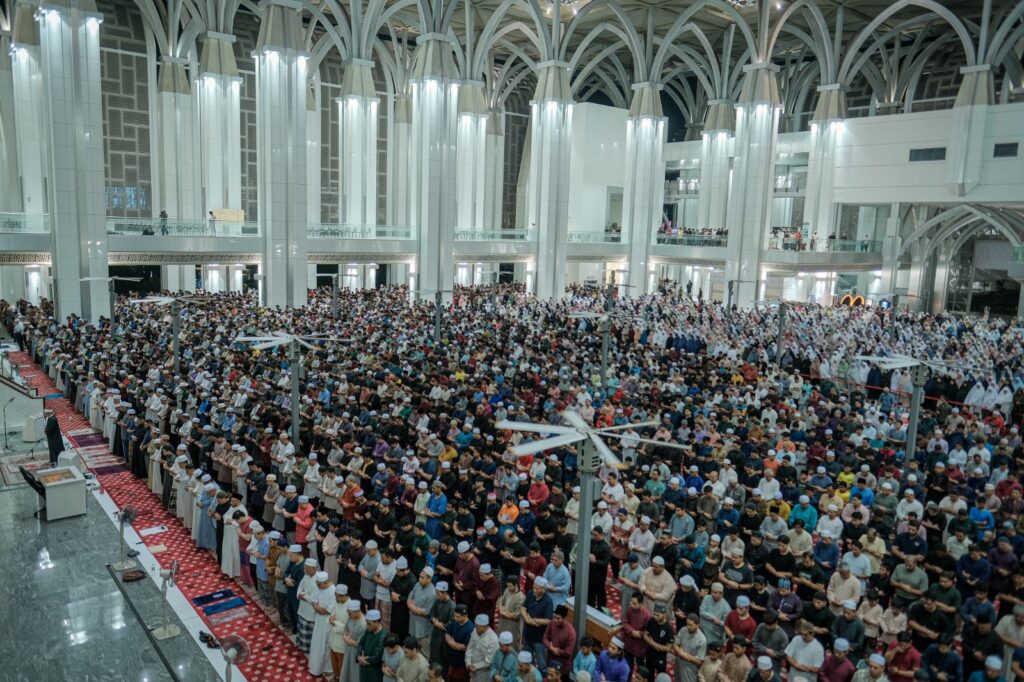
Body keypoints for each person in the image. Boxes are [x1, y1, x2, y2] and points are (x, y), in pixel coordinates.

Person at [357, 609, 386, 682]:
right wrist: (358, 656)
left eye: (369, 624)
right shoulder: (368, 630)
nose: (367, 626)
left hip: (375, 671)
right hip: (364, 668)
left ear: (377, 622)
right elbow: (361, 643)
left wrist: (362, 660)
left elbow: (377, 656)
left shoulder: (382, 636)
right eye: (367, 623)